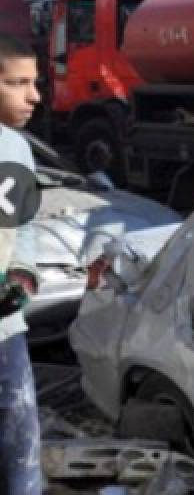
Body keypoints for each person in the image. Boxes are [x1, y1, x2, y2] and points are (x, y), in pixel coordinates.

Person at [0, 34, 42, 494]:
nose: (34, 96)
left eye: (34, 82)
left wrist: (21, 275)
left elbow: (22, 227)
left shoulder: (16, 148)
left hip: (6, 333)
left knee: (20, 458)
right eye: (18, 83)